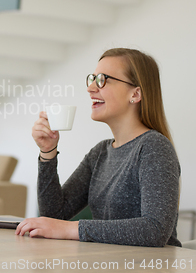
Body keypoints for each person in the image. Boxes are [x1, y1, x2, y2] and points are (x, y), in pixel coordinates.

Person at [15, 48, 181, 247]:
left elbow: (155, 230)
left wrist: (72, 229)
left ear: (135, 94)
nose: (91, 88)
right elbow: (53, 215)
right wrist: (47, 152)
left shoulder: (154, 147)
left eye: (102, 79)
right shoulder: (100, 153)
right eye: (92, 78)